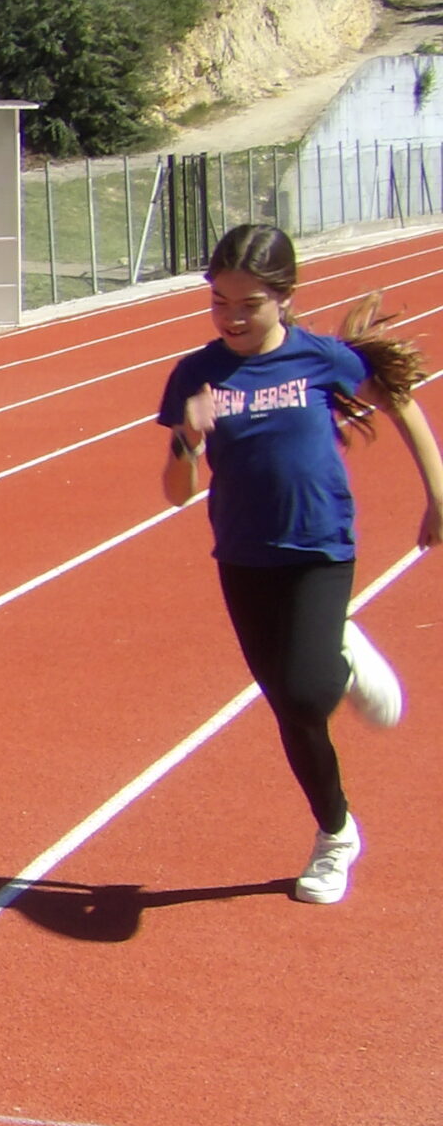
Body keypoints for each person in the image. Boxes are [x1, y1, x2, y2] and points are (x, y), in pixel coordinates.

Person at [157, 225, 443, 902]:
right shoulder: (197, 375)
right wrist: (186, 445)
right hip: (243, 554)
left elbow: (399, 401)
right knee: (292, 707)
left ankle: (337, 637)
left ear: (284, 298)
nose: (231, 317)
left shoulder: (323, 360)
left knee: (311, 689)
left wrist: (438, 491)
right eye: (219, 301)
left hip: (319, 544)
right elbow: (175, 493)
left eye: (248, 303)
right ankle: (336, 833)